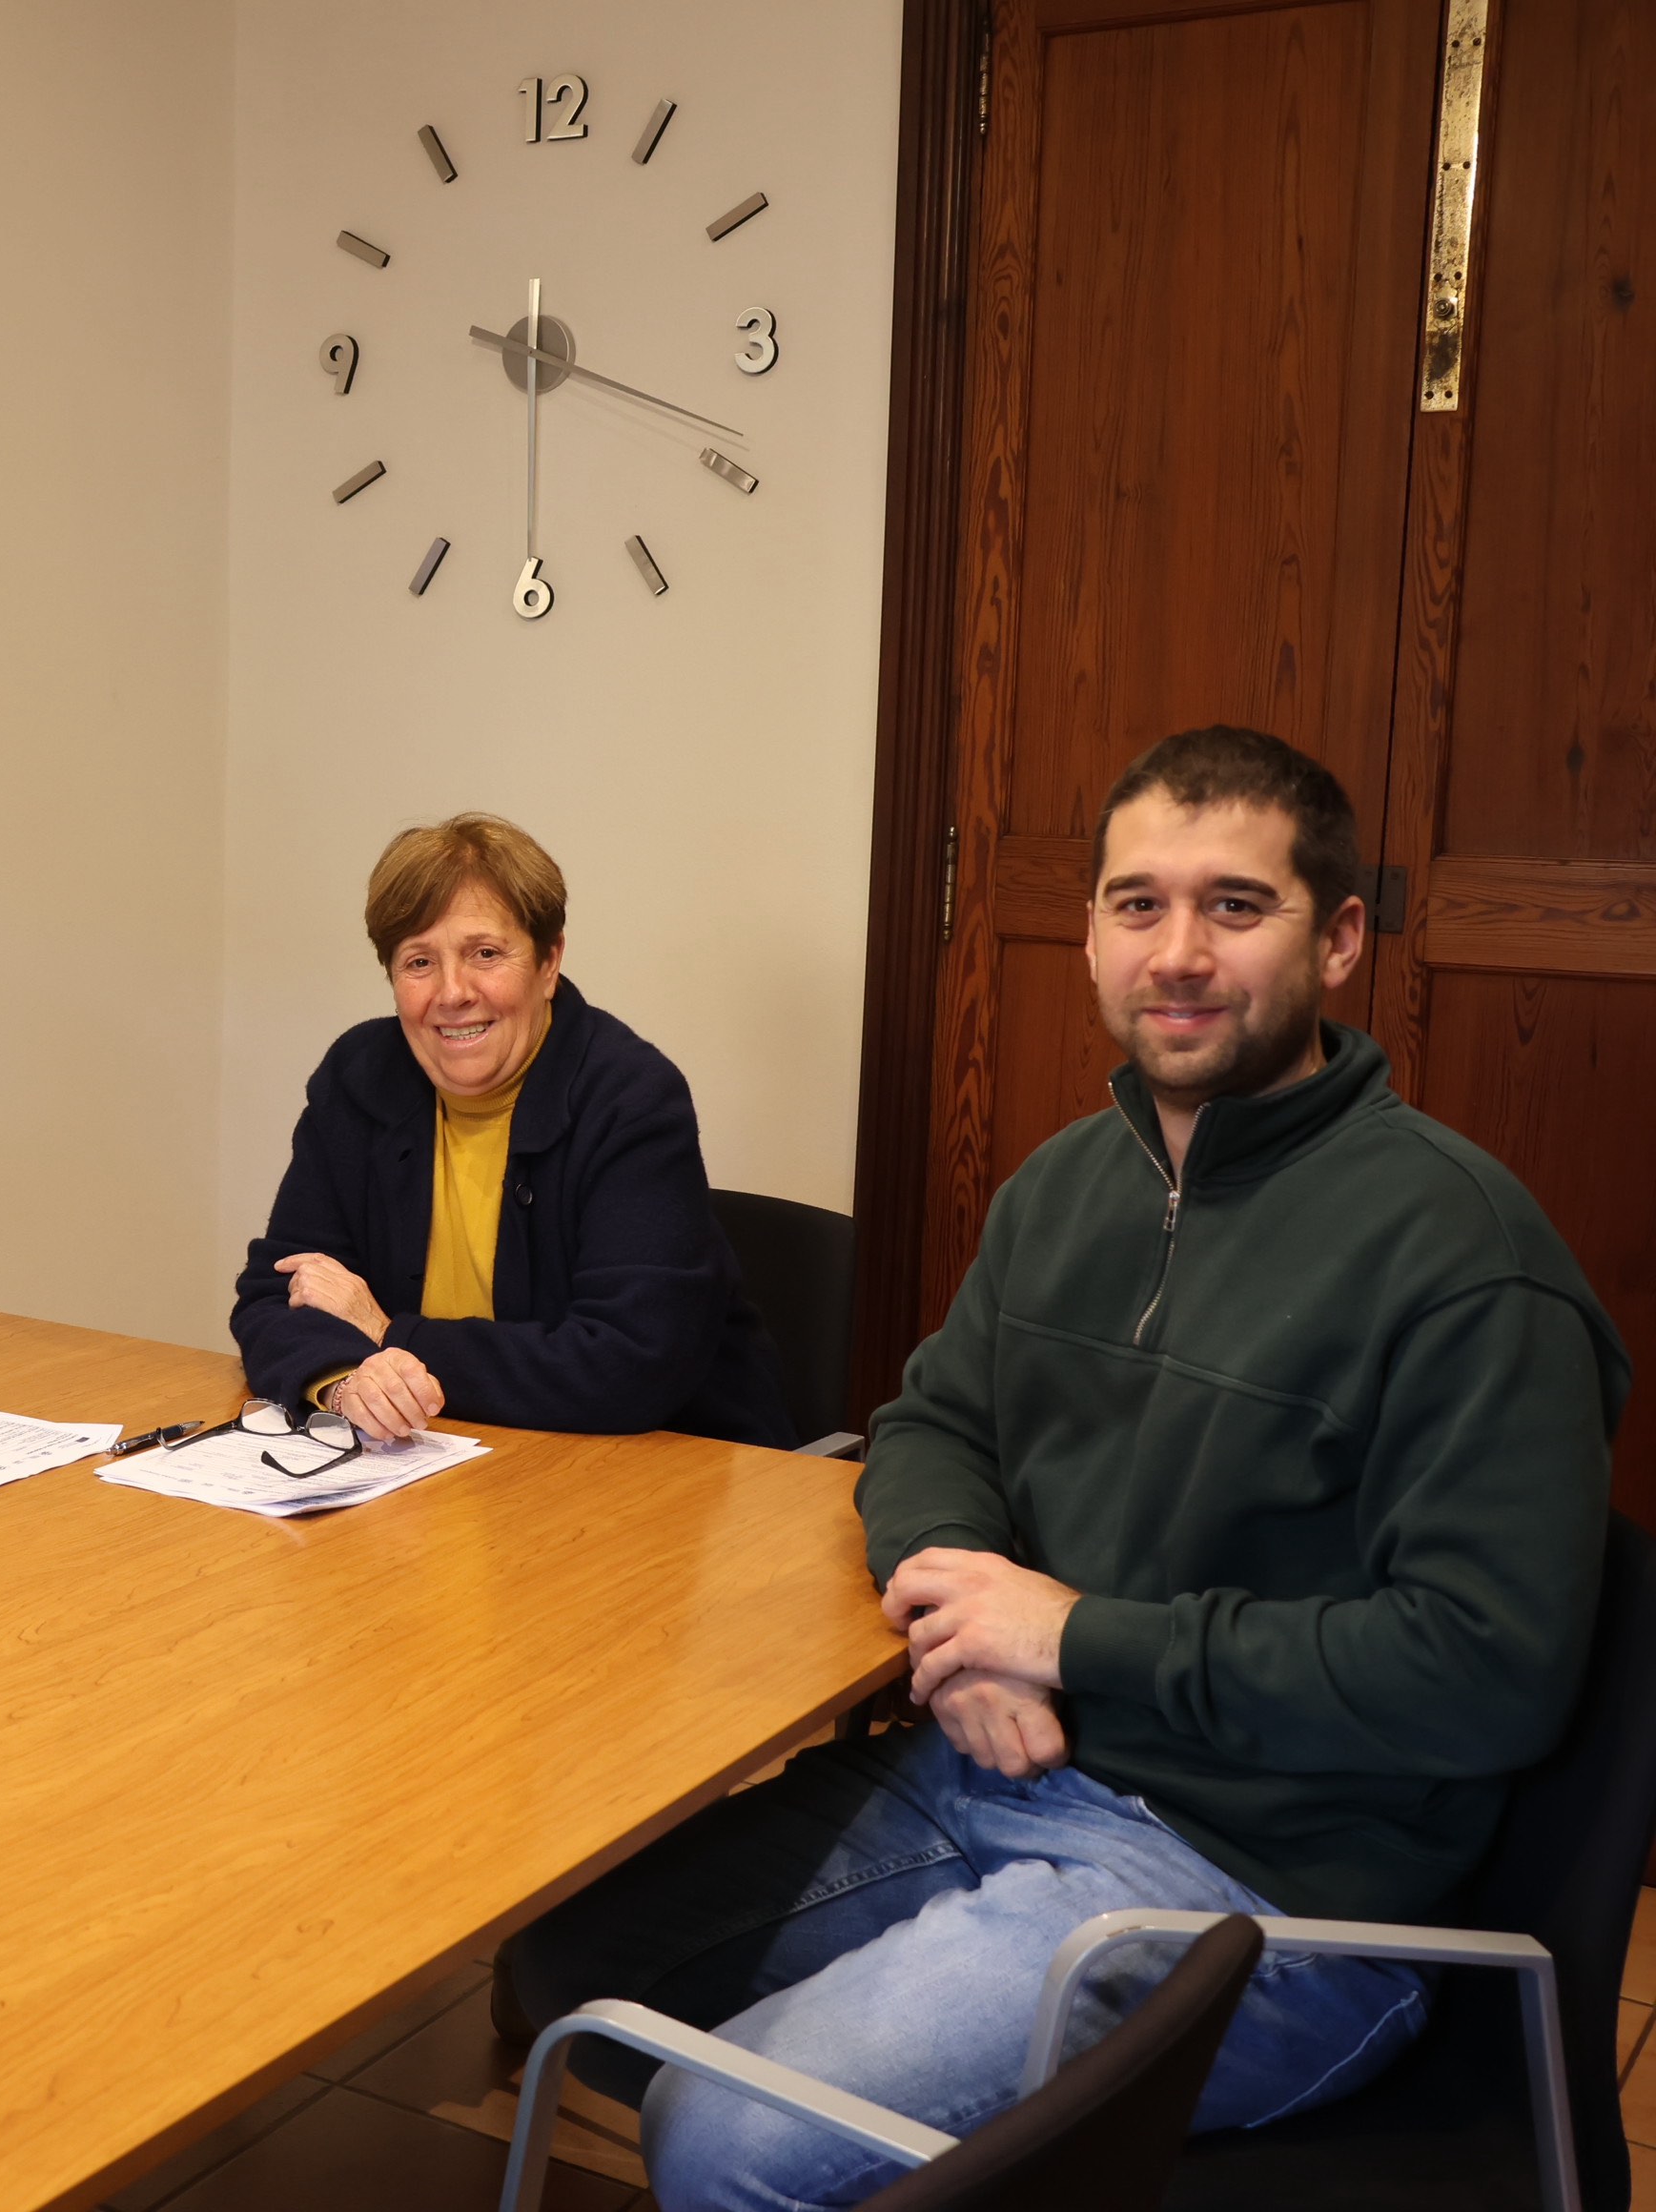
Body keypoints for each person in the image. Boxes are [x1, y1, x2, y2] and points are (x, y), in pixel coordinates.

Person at [489, 727, 1628, 2211]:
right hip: (992, 1763)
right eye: (1138, 904)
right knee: (567, 1963)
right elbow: (927, 1428)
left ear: (1341, 938)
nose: (1179, 952)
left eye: (1236, 905)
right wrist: (967, 1627)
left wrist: (1073, 1637)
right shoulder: (1064, 1187)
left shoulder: (1465, 1257)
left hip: (1263, 1889)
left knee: (728, 2135)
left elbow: (1485, 1673)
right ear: (1091, 933)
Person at [229, 811, 794, 1449]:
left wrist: (387, 1334)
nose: (453, 993)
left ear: (549, 963)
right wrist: (344, 1383)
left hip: (669, 1465)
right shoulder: (360, 1077)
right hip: (445, 1455)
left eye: (486, 954)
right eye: (419, 961)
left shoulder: (630, 1097)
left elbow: (629, 1364)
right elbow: (279, 1291)